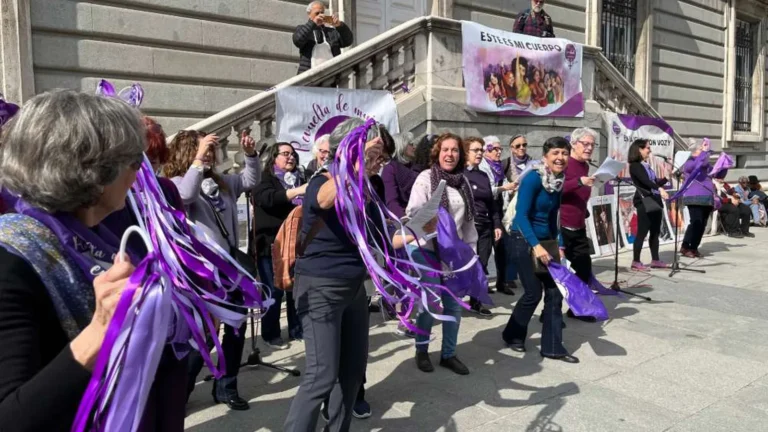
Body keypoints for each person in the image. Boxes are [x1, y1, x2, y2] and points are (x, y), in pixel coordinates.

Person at [0, 90, 185, 431]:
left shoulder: (98, 237)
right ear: (94, 171)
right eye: (133, 161)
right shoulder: (11, 257)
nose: (138, 172)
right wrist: (99, 332)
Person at [283, 118, 387, 432]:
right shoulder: (322, 179)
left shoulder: (367, 189)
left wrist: (415, 231)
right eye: (372, 154)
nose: (377, 161)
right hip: (320, 286)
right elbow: (324, 199)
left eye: (380, 156)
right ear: (350, 150)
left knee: (353, 372)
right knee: (321, 374)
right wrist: (354, 161)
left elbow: (378, 239)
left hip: (355, 288)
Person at [164, 129, 261, 411]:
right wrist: (197, 160)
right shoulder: (176, 182)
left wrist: (250, 155)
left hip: (231, 268)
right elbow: (184, 196)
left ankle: (227, 385)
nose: (209, 155)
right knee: (202, 334)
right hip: (202, 275)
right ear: (187, 152)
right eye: (203, 150)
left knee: (235, 329)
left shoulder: (223, 183)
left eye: (210, 151)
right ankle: (182, 387)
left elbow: (250, 180)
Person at [407, 133, 479, 376]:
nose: (450, 154)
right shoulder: (426, 179)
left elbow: (469, 221)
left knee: (454, 305)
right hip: (427, 249)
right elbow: (413, 213)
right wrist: (435, 224)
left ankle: (449, 354)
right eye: (445, 149)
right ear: (437, 153)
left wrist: (471, 251)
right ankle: (422, 349)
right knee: (430, 303)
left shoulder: (463, 183)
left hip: (454, 253)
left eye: (455, 150)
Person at [501, 136, 577, 363]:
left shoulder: (559, 181)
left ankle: (553, 347)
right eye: (555, 153)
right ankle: (512, 334)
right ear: (545, 157)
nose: (560, 158)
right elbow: (521, 216)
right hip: (523, 239)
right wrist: (536, 246)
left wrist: (558, 243)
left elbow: (555, 216)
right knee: (533, 292)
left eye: (564, 153)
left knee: (554, 293)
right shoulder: (534, 179)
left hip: (546, 241)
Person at [251, 143, 306, 348]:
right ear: (274, 157)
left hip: (297, 243)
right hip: (271, 242)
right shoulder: (265, 179)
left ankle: (296, 329)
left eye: (293, 154)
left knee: (296, 288)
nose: (290, 157)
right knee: (274, 290)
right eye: (285, 154)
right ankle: (270, 333)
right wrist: (296, 192)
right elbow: (268, 199)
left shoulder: (302, 178)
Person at [561, 128, 597, 321]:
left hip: (578, 225)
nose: (589, 148)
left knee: (584, 267)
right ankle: (548, 313)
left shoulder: (585, 166)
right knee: (555, 274)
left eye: (592, 144)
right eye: (586, 143)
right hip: (561, 225)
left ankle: (576, 309)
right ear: (574, 144)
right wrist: (579, 182)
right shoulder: (565, 163)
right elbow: (559, 188)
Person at [465, 137, 503, 316]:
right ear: (466, 152)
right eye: (475, 150)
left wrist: (496, 224)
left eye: (481, 150)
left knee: (482, 263)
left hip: (485, 227)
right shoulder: (460, 175)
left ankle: (476, 301)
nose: (479, 153)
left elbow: (492, 203)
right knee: (466, 265)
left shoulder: (483, 175)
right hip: (467, 227)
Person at [478, 136, 516, 295]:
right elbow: (486, 191)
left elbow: (502, 188)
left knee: (502, 249)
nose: (499, 152)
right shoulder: (481, 167)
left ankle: (502, 281)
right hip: (486, 212)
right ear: (487, 150)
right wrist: (504, 189)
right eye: (495, 149)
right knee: (484, 252)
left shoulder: (499, 166)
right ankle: (482, 284)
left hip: (499, 210)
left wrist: (509, 191)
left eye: (500, 149)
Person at [627, 139, 670, 270]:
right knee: (642, 231)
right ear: (639, 149)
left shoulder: (645, 165)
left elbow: (654, 182)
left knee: (655, 232)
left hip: (654, 201)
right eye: (647, 148)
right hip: (644, 201)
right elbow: (645, 182)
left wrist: (666, 178)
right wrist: (660, 189)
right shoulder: (635, 166)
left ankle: (655, 259)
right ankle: (636, 261)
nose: (650, 151)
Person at [293, 1, 354, 75]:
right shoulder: (302, 28)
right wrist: (313, 23)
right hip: (310, 77)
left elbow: (348, 41)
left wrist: (340, 25)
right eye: (317, 13)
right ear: (309, 15)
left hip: (330, 78)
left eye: (322, 13)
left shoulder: (331, 32)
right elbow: (298, 40)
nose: (320, 15)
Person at [679, 138, 715, 258]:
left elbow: (714, 173)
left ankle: (694, 247)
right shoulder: (689, 161)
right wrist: (704, 153)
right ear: (696, 151)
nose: (706, 154)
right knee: (696, 222)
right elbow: (696, 166)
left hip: (707, 196)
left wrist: (723, 166)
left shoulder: (706, 163)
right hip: (694, 196)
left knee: (703, 224)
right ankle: (685, 246)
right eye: (702, 150)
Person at [381, 132, 419, 219]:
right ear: (401, 146)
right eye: (410, 144)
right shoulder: (390, 169)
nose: (414, 147)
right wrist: (405, 220)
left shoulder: (415, 166)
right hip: (403, 220)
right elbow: (391, 202)